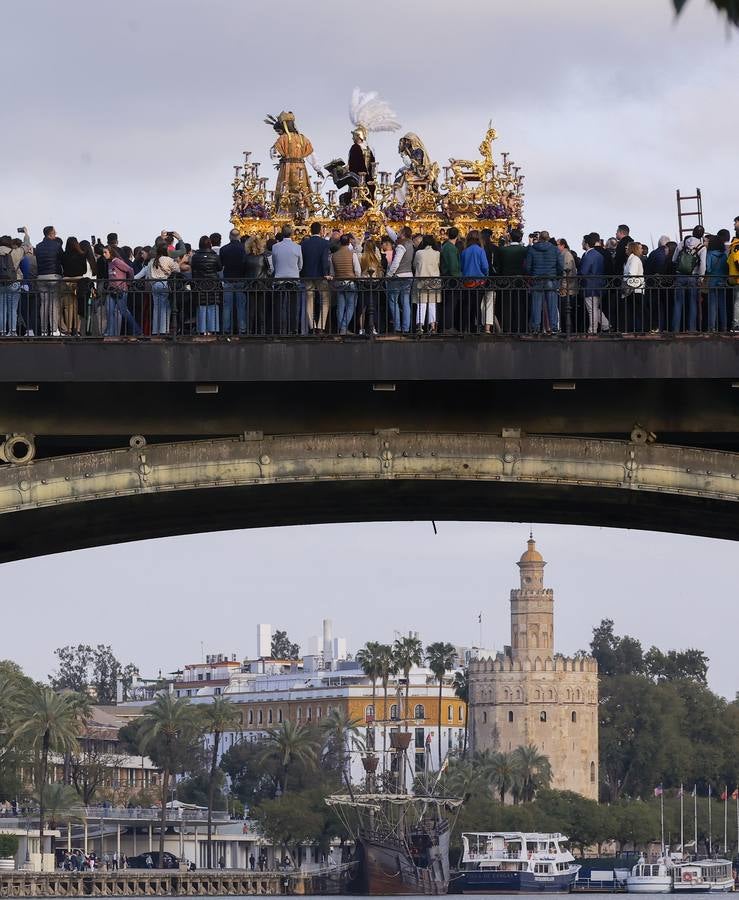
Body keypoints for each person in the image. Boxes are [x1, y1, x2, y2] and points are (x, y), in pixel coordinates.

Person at [134, 241, 179, 335]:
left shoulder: (152, 261)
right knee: (165, 307)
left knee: (156, 308)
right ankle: (163, 330)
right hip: (164, 284)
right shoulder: (168, 259)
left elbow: (146, 274)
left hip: (154, 285)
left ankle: (155, 330)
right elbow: (177, 269)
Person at [525, 230, 563, 333]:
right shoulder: (555, 249)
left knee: (536, 306)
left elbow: (527, 266)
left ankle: (535, 328)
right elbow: (560, 266)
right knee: (552, 305)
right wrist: (558, 277)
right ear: (548, 238)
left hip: (537, 279)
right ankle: (554, 327)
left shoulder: (532, 249)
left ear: (540, 238)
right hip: (551, 279)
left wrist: (531, 275)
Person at [271, 224, 304, 334]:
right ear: (292, 233)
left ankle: (278, 329)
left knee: (278, 306)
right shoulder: (297, 247)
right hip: (293, 278)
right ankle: (292, 329)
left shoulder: (275, 247)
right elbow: (300, 265)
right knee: (292, 306)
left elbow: (275, 264)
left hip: (279, 278)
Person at [671, 231, 706, 332]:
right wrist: (701, 278)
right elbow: (703, 264)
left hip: (680, 275)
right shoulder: (701, 247)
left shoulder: (682, 243)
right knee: (692, 303)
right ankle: (692, 329)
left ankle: (676, 329)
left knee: (678, 303)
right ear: (701, 235)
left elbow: (674, 259)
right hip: (693, 276)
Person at [300, 222, 331, 333]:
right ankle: (321, 326)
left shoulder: (304, 244)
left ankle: (312, 326)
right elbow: (324, 260)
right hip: (321, 276)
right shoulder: (324, 243)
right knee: (325, 300)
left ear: (311, 230)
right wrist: (325, 273)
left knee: (309, 300)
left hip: (307, 275)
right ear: (320, 231)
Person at [496, 227, 528, 333]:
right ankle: (519, 327)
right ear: (521, 238)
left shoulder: (503, 250)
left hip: (505, 280)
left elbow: (497, 266)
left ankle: (507, 327)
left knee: (506, 305)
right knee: (519, 304)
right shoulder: (524, 250)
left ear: (510, 237)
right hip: (520, 280)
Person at [36, 225, 64, 336]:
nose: (56, 233)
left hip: (41, 277)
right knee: (53, 303)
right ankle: (53, 330)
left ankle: (43, 331)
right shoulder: (57, 245)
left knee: (44, 304)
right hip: (54, 277)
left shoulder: (38, 246)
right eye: (54, 232)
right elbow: (62, 259)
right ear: (51, 233)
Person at [191, 235, 222, 335]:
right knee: (212, 305)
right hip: (213, 283)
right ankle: (212, 329)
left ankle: (202, 329)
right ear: (210, 244)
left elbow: (193, 269)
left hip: (200, 283)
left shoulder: (195, 257)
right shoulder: (215, 256)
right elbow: (219, 268)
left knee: (201, 306)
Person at [386, 226, 415, 333]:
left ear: (403, 234)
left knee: (393, 301)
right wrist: (386, 226)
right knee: (405, 302)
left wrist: (389, 275)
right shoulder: (410, 244)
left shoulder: (400, 246)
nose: (397, 232)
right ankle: (406, 327)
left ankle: (397, 327)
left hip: (398, 276)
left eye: (399, 231)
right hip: (408, 275)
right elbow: (394, 236)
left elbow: (396, 262)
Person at [330, 234, 361, 334]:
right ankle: (343, 327)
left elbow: (332, 273)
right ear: (349, 242)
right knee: (351, 306)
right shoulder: (352, 254)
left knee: (340, 306)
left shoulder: (334, 256)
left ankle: (341, 328)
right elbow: (357, 271)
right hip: (350, 282)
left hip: (339, 283)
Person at [105, 247, 139, 337]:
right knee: (109, 311)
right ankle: (110, 334)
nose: (104, 254)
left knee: (123, 311)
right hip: (111, 290)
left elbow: (130, 270)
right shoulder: (110, 263)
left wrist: (129, 282)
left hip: (121, 290)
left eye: (105, 252)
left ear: (111, 253)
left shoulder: (117, 261)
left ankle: (137, 330)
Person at [220, 229, 247, 335]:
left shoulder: (224, 249)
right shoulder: (244, 248)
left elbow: (221, 265)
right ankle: (242, 329)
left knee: (227, 306)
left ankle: (226, 329)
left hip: (228, 279)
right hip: (241, 279)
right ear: (239, 236)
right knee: (241, 306)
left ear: (230, 237)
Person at [579, 233, 609, 334]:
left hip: (589, 285)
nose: (582, 243)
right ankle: (606, 325)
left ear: (586, 244)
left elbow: (583, 271)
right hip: (599, 285)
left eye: (583, 242)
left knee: (592, 309)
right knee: (595, 308)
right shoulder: (598, 255)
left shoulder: (589, 255)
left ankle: (592, 330)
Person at [459, 230, 488, 332]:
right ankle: (478, 327)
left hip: (467, 281)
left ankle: (466, 327)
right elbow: (485, 267)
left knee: (467, 305)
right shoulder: (480, 251)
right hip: (479, 282)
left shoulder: (464, 251)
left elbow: (461, 267)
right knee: (477, 305)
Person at [0, 232, 27, 336]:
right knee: (13, 309)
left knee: (2, 309)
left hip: (1, 284)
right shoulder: (15, 252)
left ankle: (2, 332)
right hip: (14, 283)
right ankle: (12, 331)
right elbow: (26, 246)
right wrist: (26, 234)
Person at [413, 234, 441, 333]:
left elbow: (415, 265)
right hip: (434, 280)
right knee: (432, 303)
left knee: (422, 303)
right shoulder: (437, 253)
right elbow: (438, 265)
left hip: (422, 280)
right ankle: (432, 326)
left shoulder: (419, 253)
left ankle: (420, 326)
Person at [358, 238, 381, 336]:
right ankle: (373, 328)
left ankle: (361, 329)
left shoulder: (361, 257)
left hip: (364, 282)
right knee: (373, 306)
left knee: (362, 307)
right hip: (374, 282)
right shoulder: (377, 257)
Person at [705, 234, 729, 332]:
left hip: (713, 281)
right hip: (722, 281)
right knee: (722, 305)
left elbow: (708, 269)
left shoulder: (710, 254)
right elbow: (726, 269)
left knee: (712, 306)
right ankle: (724, 327)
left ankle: (712, 328)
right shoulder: (724, 255)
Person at [439, 226, 461, 332]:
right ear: (457, 235)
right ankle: (448, 326)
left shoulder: (446, 246)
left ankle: (447, 325)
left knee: (449, 302)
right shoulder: (451, 248)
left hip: (447, 277)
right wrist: (459, 276)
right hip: (451, 279)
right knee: (450, 303)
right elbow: (453, 266)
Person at [622, 241, 645, 332]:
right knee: (635, 311)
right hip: (634, 289)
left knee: (637, 312)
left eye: (627, 247)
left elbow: (632, 274)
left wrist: (627, 285)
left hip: (634, 289)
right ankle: (636, 330)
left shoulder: (634, 259)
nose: (626, 249)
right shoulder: (632, 259)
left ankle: (638, 330)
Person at [557, 238, 577, 333]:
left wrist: (563, 287)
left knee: (566, 312)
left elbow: (566, 272)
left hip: (568, 289)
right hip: (567, 288)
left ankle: (567, 331)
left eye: (557, 244)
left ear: (562, 245)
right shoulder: (564, 255)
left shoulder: (566, 255)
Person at [727, 216, 739, 332]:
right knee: (737, 302)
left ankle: (736, 325)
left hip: (734, 278)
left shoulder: (734, 245)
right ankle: (736, 325)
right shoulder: (736, 245)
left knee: (737, 302)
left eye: (736, 222)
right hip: (737, 278)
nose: (734, 225)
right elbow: (737, 261)